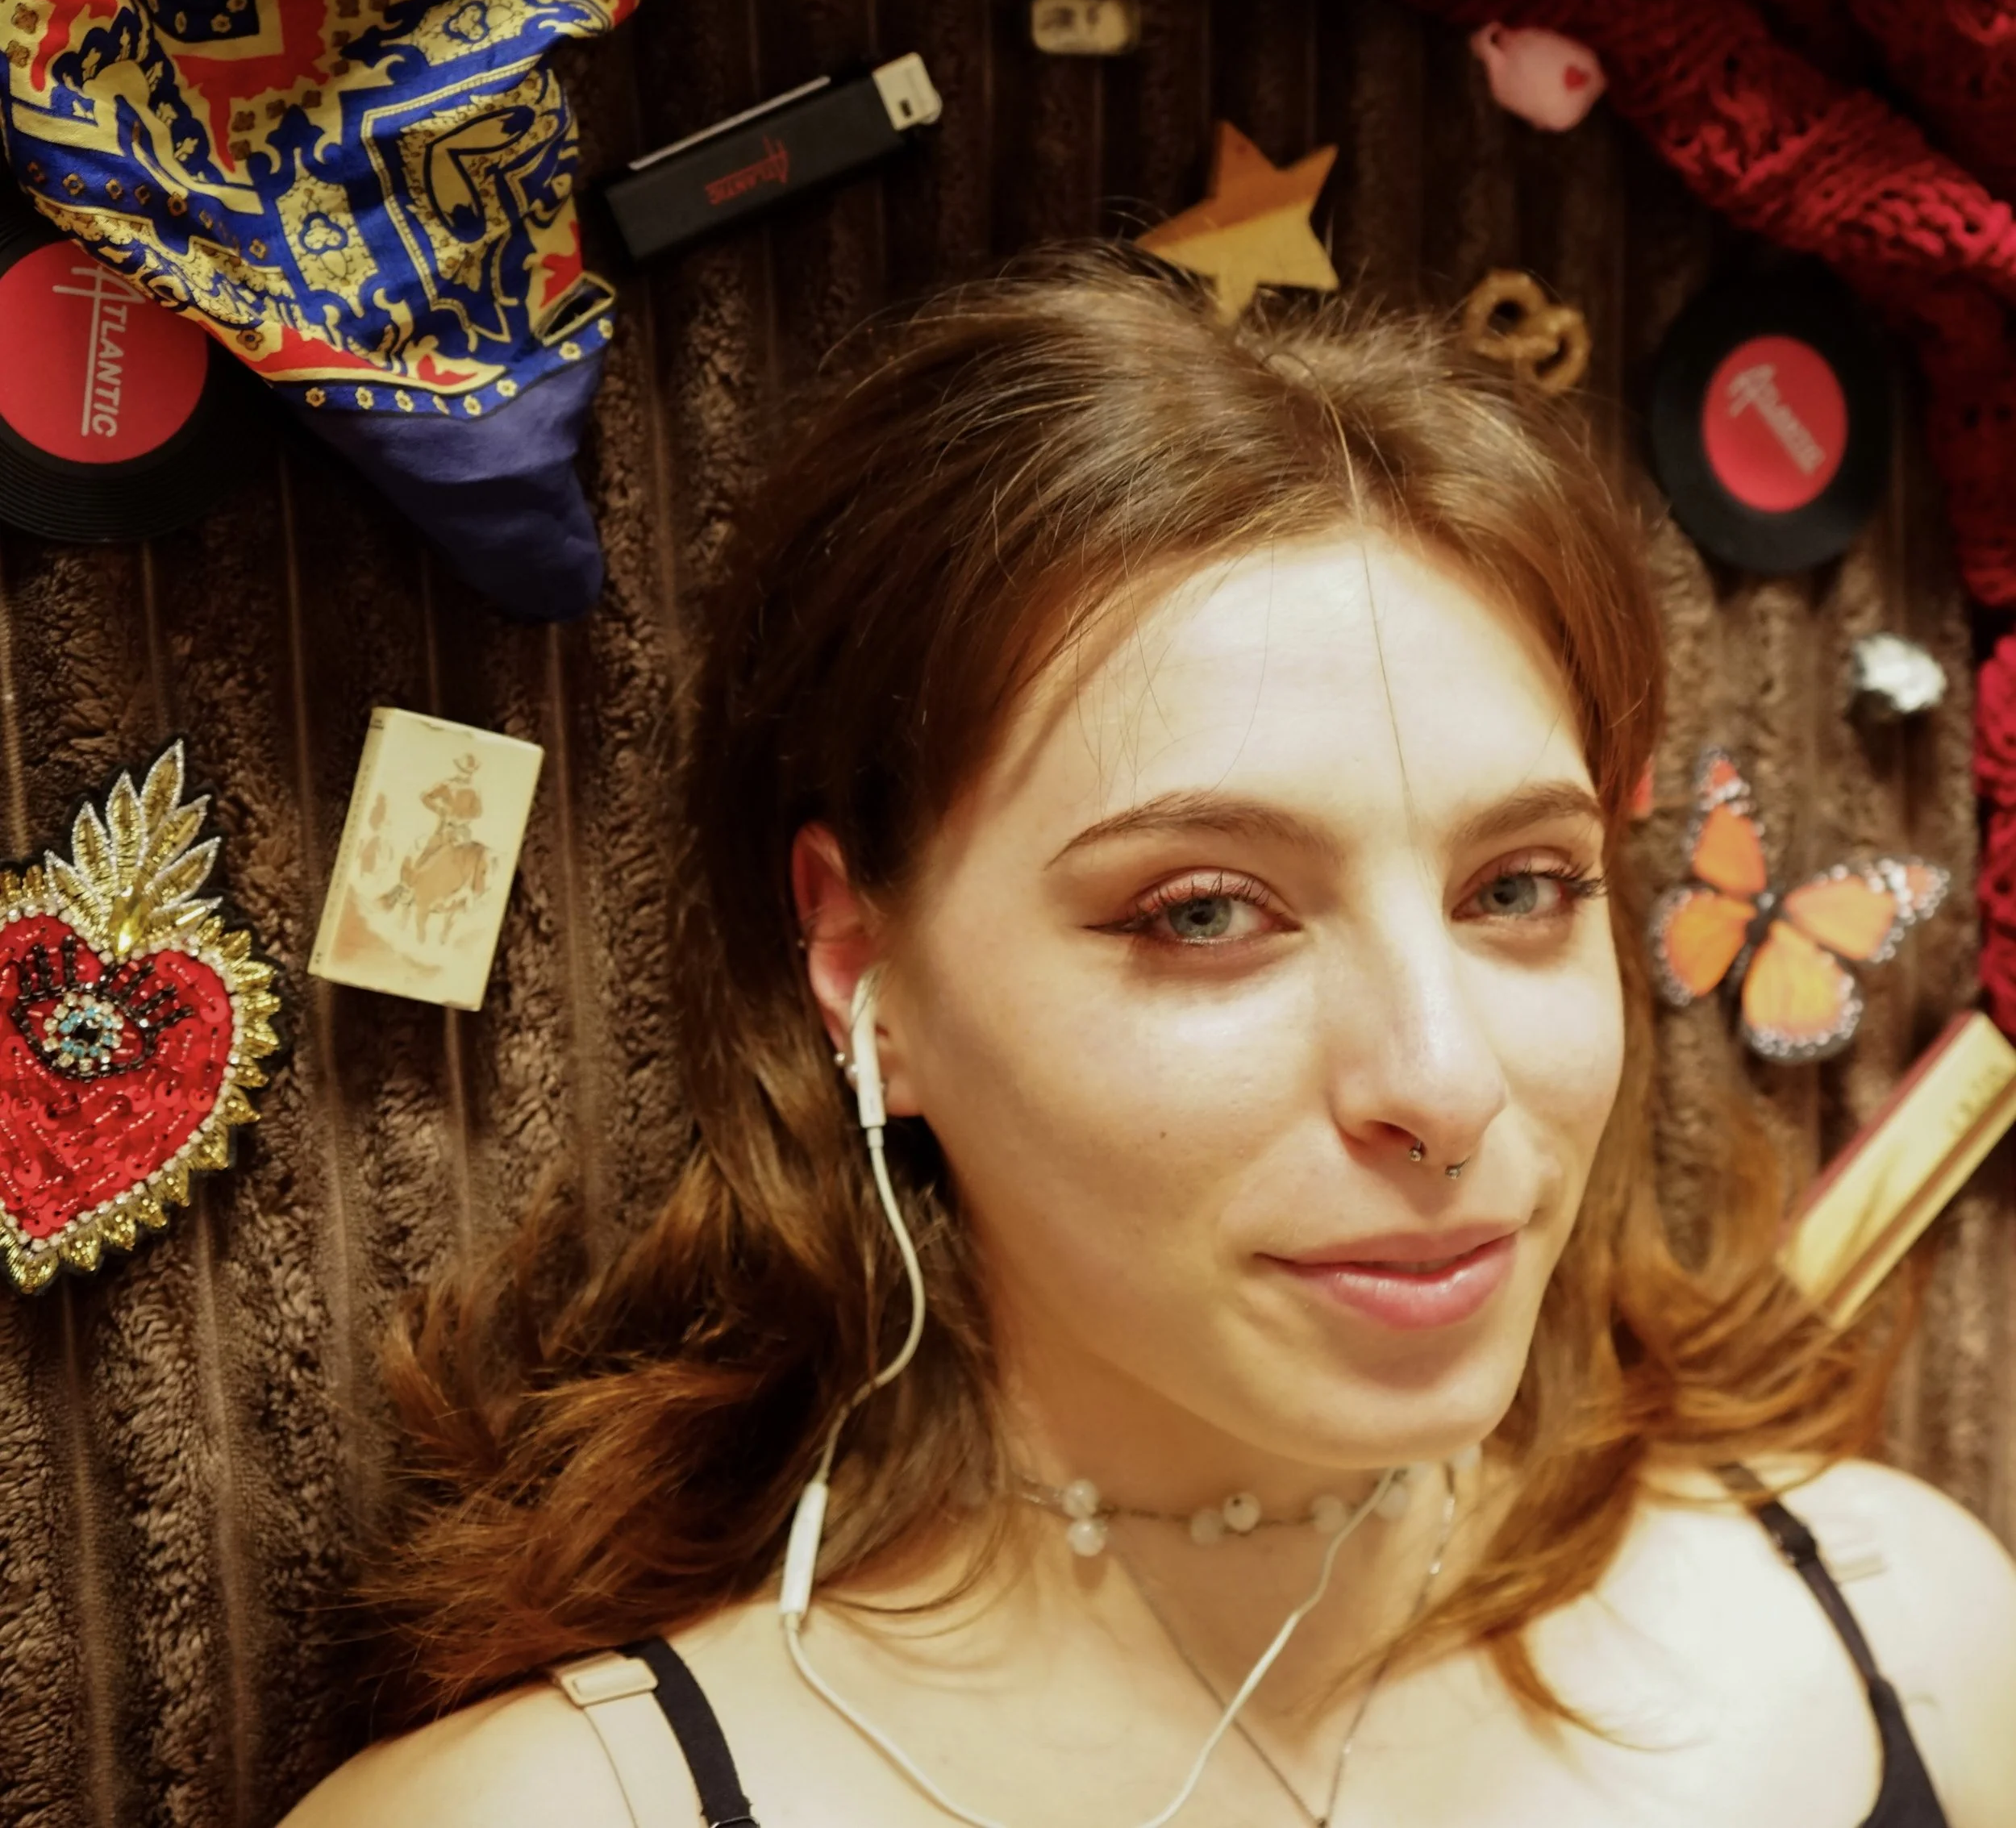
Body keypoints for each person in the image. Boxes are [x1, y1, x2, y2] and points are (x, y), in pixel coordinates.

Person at [285, 247, 2016, 1828]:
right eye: (1202, 912)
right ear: (860, 963)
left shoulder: (1913, 1637)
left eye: (1518, 888)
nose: (1444, 1082)